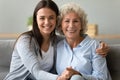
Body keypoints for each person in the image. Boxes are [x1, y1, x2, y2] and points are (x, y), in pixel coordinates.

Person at [4, 0, 109, 80]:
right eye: (42, 18)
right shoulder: (26, 41)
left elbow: (75, 38)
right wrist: (59, 78)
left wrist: (100, 45)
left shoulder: (56, 41)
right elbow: (36, 72)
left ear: (56, 20)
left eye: (51, 17)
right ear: (36, 19)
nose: (47, 22)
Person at [56, 3, 111, 80]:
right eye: (67, 21)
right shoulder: (58, 46)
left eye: (75, 21)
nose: (71, 25)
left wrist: (79, 74)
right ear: (60, 25)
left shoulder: (95, 46)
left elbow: (102, 78)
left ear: (81, 25)